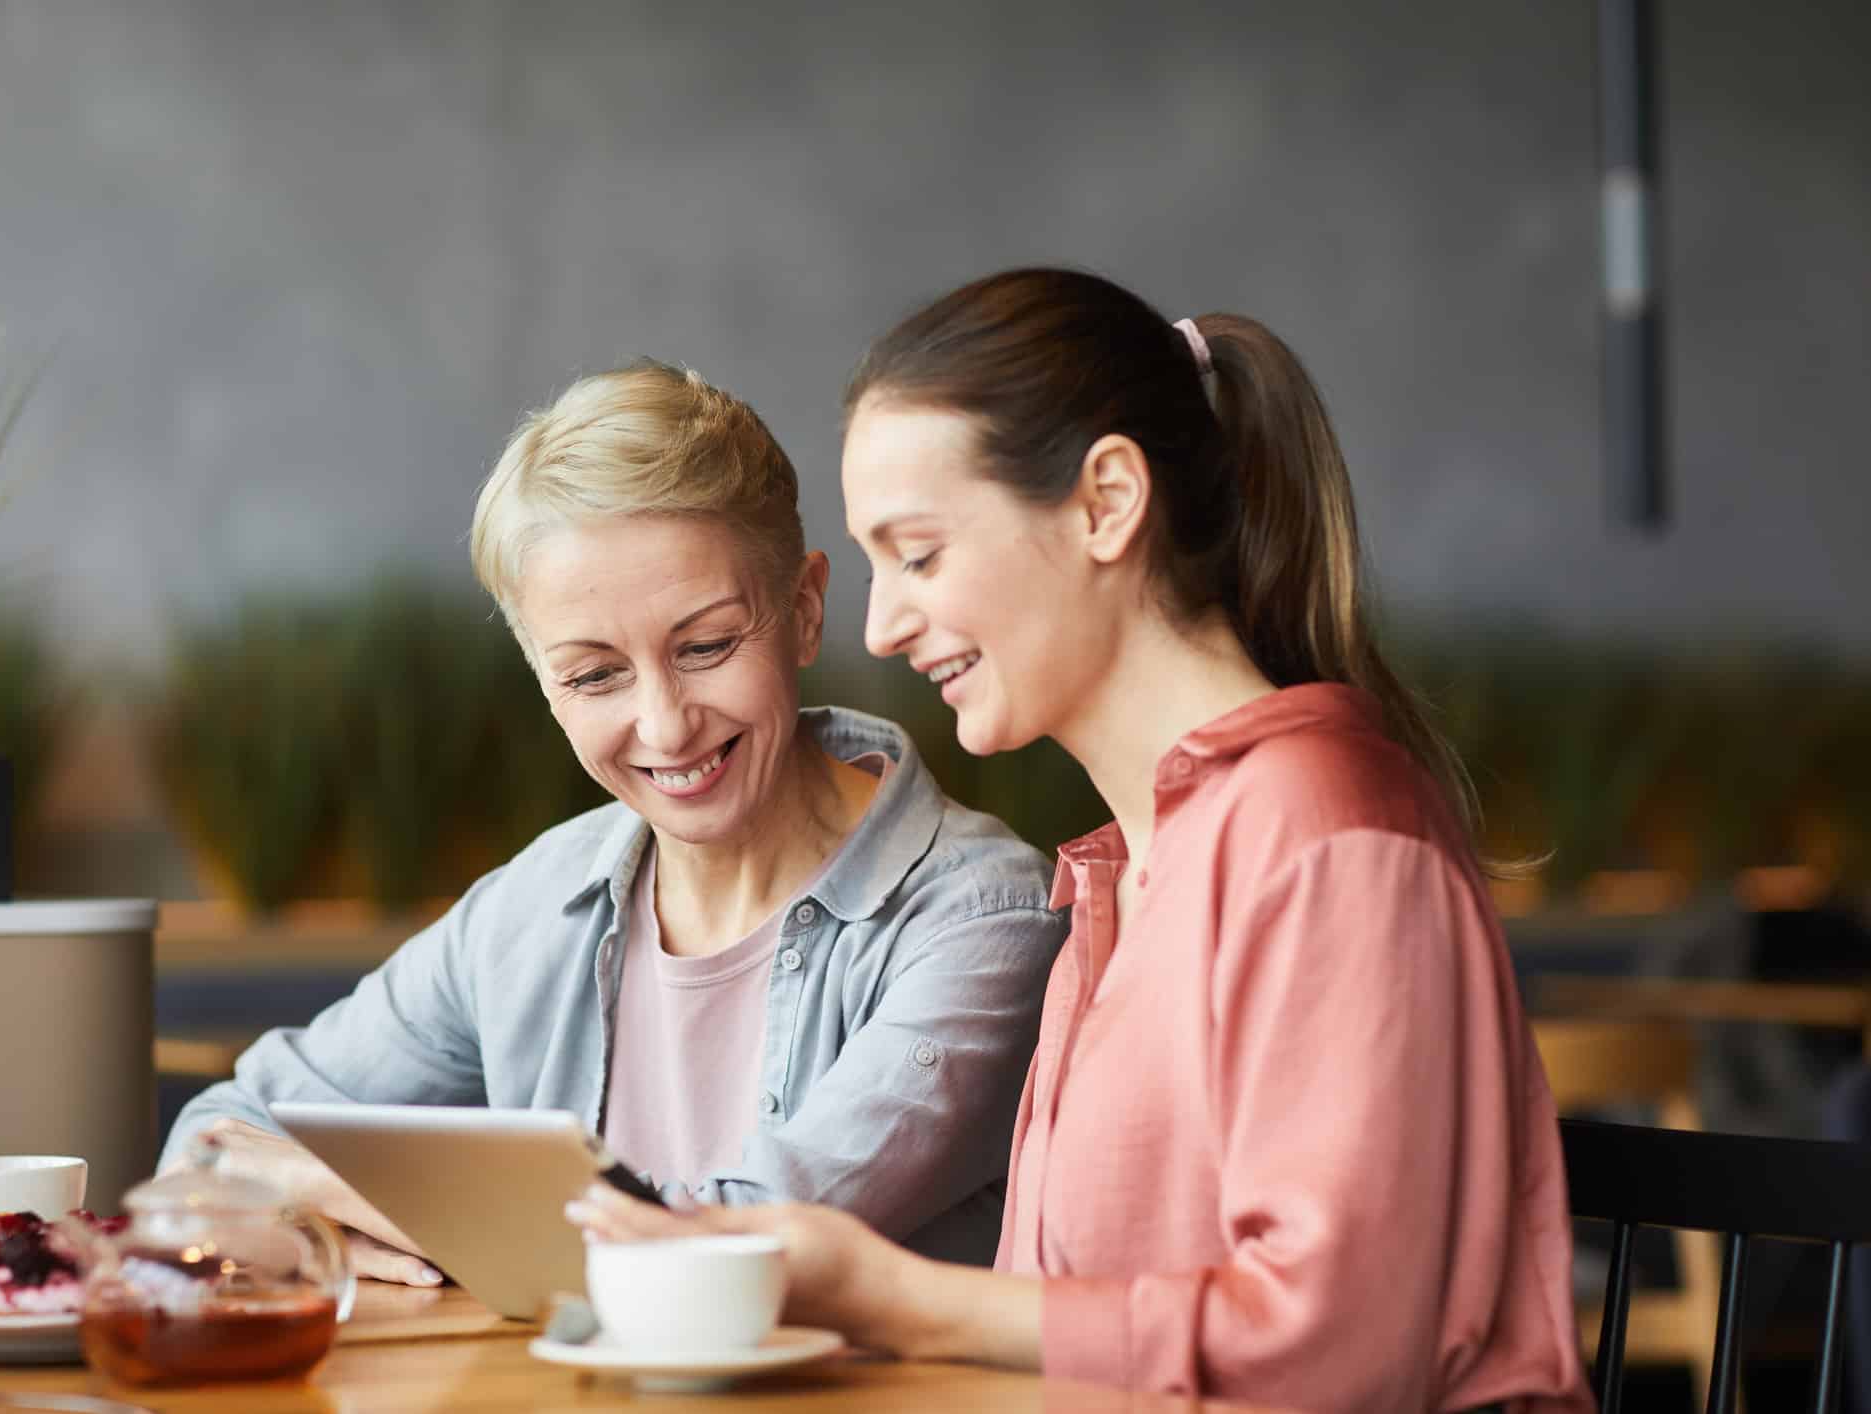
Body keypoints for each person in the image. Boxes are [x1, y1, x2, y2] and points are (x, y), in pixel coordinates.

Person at [569, 271, 1595, 1413]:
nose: (880, 624)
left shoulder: (1326, 838)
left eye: (918, 553)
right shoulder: (1117, 876)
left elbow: (1340, 1351)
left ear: (1107, 501)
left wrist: (888, 1295)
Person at [164, 360, 1064, 1284]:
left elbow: (736, 1247)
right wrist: (322, 1213)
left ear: (801, 611)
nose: (666, 724)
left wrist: (339, 1197)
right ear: (543, 684)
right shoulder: (533, 904)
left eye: (706, 646)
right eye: (595, 676)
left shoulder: (985, 920)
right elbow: (214, 1140)